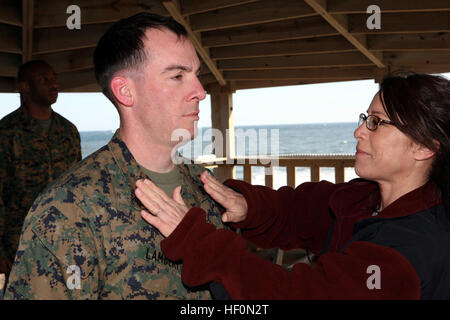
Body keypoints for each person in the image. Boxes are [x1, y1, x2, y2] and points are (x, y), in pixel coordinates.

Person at [134, 73, 450, 299]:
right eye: (365, 117)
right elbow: (299, 210)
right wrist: (249, 207)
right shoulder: (365, 198)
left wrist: (194, 241)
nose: (358, 132)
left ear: (424, 148)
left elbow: (290, 292)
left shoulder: (411, 250)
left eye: (376, 123)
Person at [4, 13, 224, 300]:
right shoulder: (68, 209)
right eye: (177, 76)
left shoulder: (207, 187)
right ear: (125, 90)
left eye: (197, 76)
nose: (200, 92)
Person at [0, 60, 81, 280]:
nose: (53, 84)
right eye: (43, 79)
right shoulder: (6, 132)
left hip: (64, 239)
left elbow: (79, 188)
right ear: (24, 86)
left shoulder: (68, 130)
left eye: (54, 79)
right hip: (19, 243)